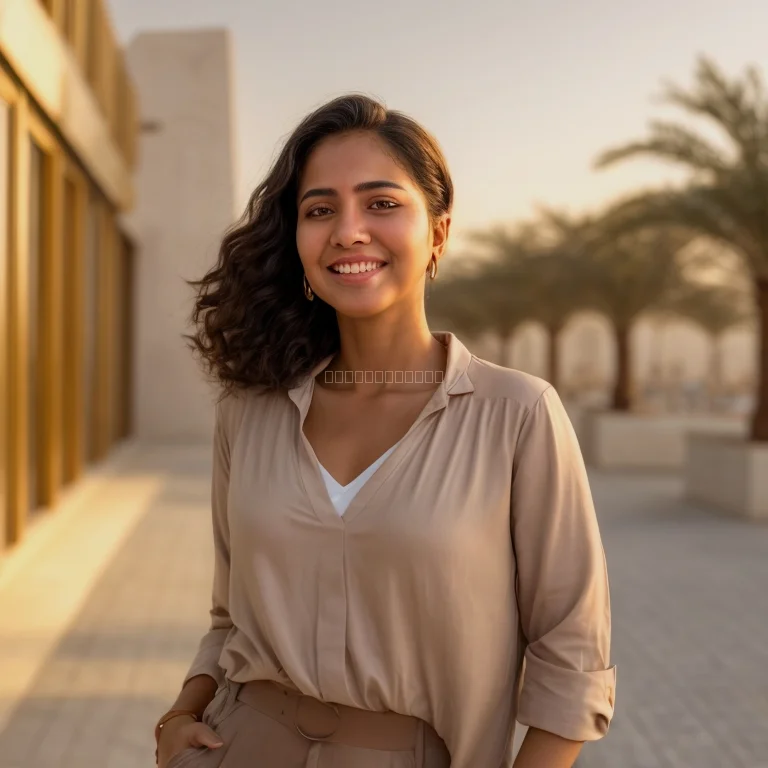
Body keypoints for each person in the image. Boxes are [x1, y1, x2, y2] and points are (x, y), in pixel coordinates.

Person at [153, 94, 616, 768]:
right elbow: (228, 618)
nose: (348, 230)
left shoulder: (517, 415)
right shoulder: (249, 413)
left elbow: (573, 656)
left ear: (438, 233)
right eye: (319, 210)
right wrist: (179, 715)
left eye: (381, 203)